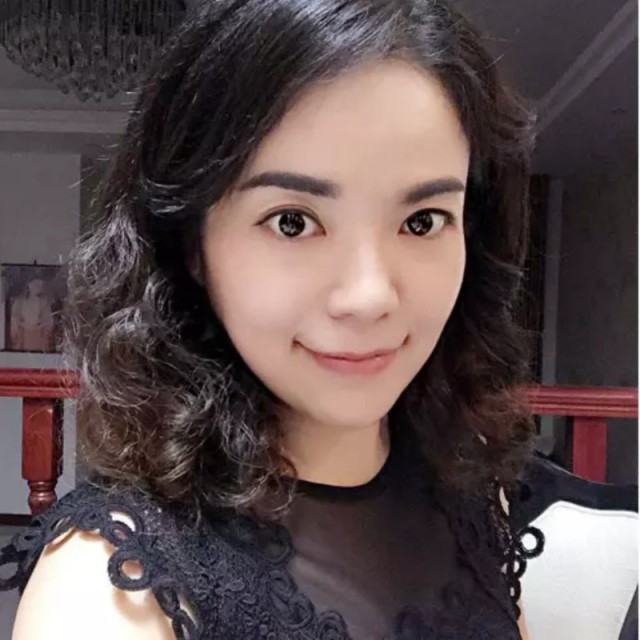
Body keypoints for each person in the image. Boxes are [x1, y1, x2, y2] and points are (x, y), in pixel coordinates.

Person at [0, 0, 545, 638]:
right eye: (292, 222)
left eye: (422, 221)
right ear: (193, 245)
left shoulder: (475, 498)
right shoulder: (110, 590)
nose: (369, 297)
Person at [9, 277, 54, 352]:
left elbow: (48, 323)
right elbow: (14, 325)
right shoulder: (19, 302)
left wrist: (44, 335)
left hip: (39, 341)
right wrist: (19, 336)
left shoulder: (44, 302)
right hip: (24, 340)